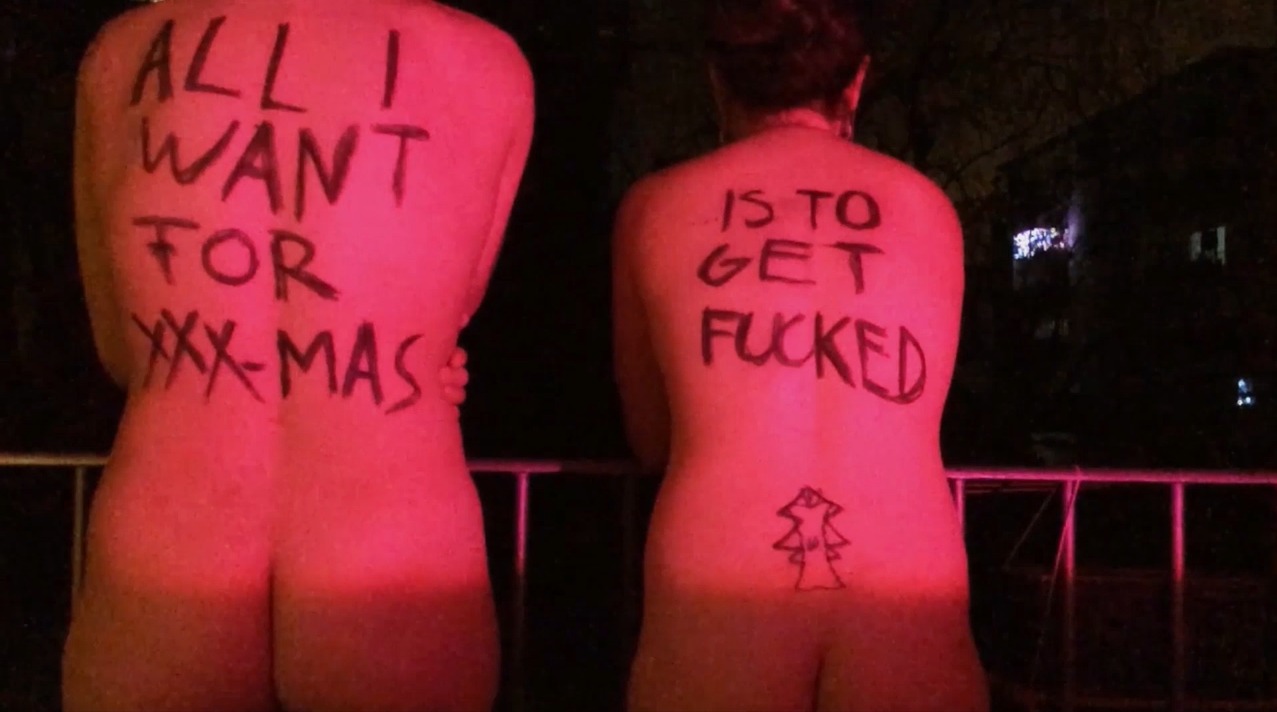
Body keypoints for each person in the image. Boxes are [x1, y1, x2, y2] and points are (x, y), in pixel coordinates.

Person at [65, 0, 532, 708]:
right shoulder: (483, 63)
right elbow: (448, 316)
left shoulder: (122, 53)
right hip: (392, 549)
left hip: (169, 547)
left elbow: (122, 353)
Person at [612, 0, 989, 709]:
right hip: (905, 578)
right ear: (855, 83)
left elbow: (652, 439)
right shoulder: (926, 206)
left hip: (721, 582)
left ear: (717, 79)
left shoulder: (656, 207)